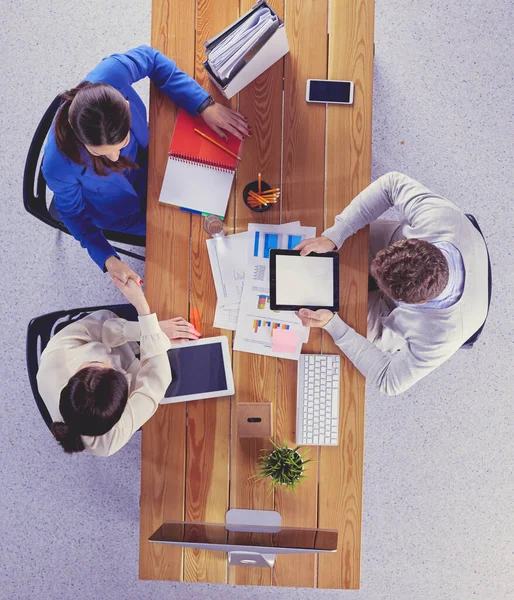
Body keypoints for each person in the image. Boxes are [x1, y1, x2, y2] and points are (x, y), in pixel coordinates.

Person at [42, 45, 251, 283]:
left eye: (122, 143)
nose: (114, 158)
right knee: (192, 238)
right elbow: (74, 216)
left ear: (126, 107)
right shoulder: (57, 166)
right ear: (80, 138)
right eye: (100, 152)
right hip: (123, 211)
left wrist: (204, 105)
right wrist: (108, 258)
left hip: (153, 163)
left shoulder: (112, 74)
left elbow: (152, 59)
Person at [295, 172, 489, 396]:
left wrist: (334, 326)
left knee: (330, 323)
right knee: (346, 241)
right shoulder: (437, 218)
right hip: (394, 247)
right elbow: (391, 183)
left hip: (394, 314)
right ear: (418, 241)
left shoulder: (441, 335)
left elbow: (390, 382)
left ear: (416, 302)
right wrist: (335, 236)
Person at [37, 278, 200, 456]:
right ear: (122, 406)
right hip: (140, 366)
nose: (108, 361)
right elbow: (156, 382)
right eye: (114, 370)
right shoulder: (108, 443)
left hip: (118, 332)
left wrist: (150, 330)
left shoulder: (59, 353)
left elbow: (102, 323)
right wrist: (145, 313)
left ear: (75, 377)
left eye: (96, 363)